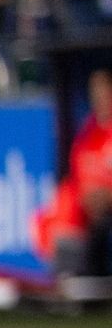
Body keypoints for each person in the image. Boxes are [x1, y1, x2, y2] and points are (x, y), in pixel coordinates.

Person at [33, 68, 112, 284]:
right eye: (95, 94)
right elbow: (78, 174)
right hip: (87, 205)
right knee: (63, 205)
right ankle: (70, 279)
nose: (100, 100)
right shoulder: (88, 130)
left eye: (105, 93)